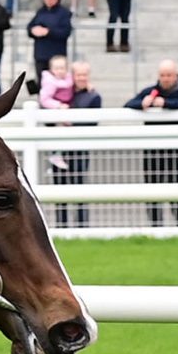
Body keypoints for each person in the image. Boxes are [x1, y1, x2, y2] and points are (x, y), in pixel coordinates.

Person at [126, 60, 178, 226]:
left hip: (174, 150)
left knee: (175, 188)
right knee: (152, 189)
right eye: (162, 75)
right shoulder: (151, 91)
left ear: (176, 75)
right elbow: (129, 104)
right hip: (152, 150)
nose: (165, 79)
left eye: (169, 75)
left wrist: (166, 104)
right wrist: (142, 104)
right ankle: (155, 225)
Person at [51, 60, 102, 228]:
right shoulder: (64, 92)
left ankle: (82, 227)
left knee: (79, 188)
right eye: (78, 74)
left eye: (84, 74)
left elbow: (93, 123)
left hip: (79, 149)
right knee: (60, 190)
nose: (81, 78)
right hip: (61, 149)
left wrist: (70, 122)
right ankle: (61, 226)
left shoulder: (94, 96)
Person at [26, 0, 72, 76]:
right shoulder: (41, 12)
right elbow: (30, 26)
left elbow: (65, 32)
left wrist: (48, 32)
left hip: (56, 57)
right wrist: (33, 30)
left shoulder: (64, 13)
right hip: (40, 55)